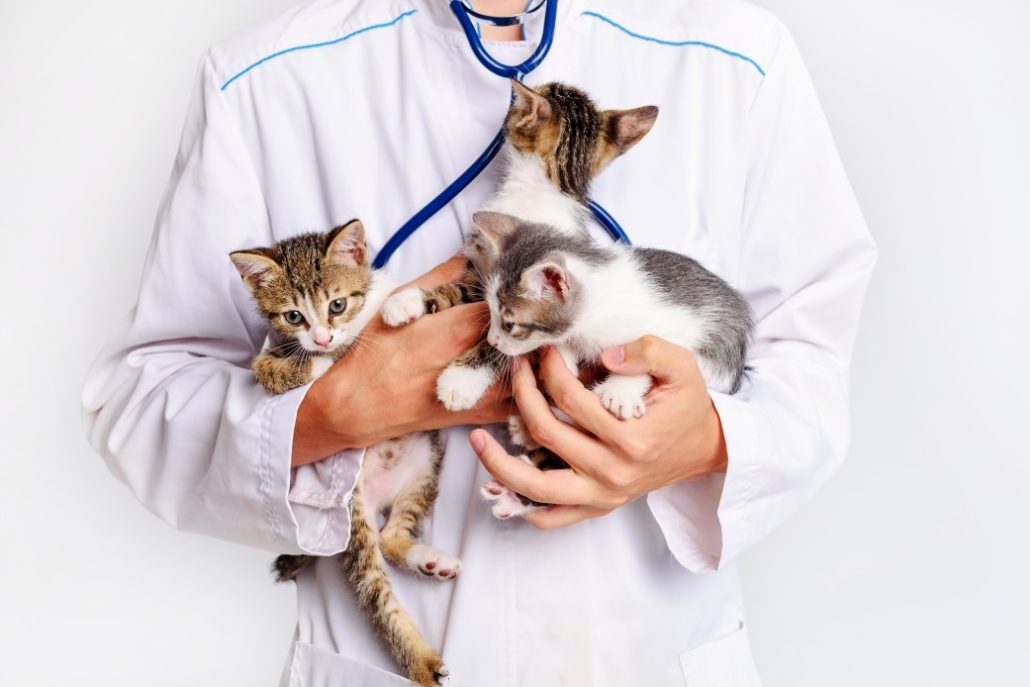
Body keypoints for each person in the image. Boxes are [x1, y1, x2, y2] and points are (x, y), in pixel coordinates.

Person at [82, 0, 876, 684]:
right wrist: (338, 407)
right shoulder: (262, 81)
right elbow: (144, 398)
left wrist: (705, 439)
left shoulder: (738, 60)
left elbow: (809, 366)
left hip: (653, 654)